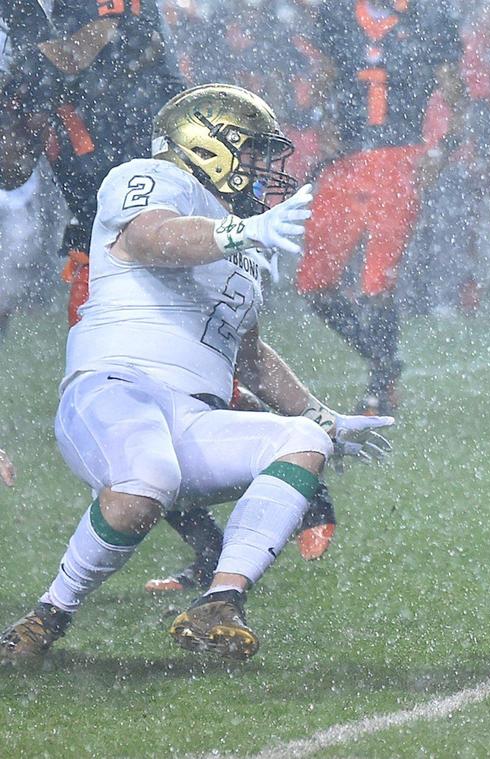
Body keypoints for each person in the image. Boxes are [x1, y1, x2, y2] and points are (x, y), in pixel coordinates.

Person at [0, 84, 392, 664]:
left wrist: (320, 415)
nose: (264, 168)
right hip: (113, 390)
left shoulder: (240, 235)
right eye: (253, 151)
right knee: (144, 482)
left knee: (303, 441)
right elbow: (147, 237)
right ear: (210, 145)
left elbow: (250, 354)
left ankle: (220, 604)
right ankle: (46, 616)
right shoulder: (154, 177)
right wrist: (237, 233)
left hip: (193, 414)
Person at [297, 0, 466, 415]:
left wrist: (442, 149)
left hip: (398, 156)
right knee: (315, 284)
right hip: (347, 162)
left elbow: (456, 95)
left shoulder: (429, 17)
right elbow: (325, 78)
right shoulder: (338, 14)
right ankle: (385, 362)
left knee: (376, 283)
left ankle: (378, 388)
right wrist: (323, 125)